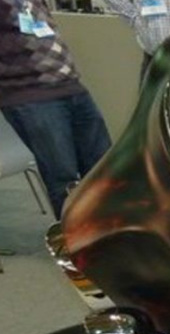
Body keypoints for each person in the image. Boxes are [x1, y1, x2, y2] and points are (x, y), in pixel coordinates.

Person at [0, 0, 112, 219]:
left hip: (70, 84)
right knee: (63, 178)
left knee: (103, 169)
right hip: (30, 95)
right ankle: (78, 237)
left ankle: (109, 231)